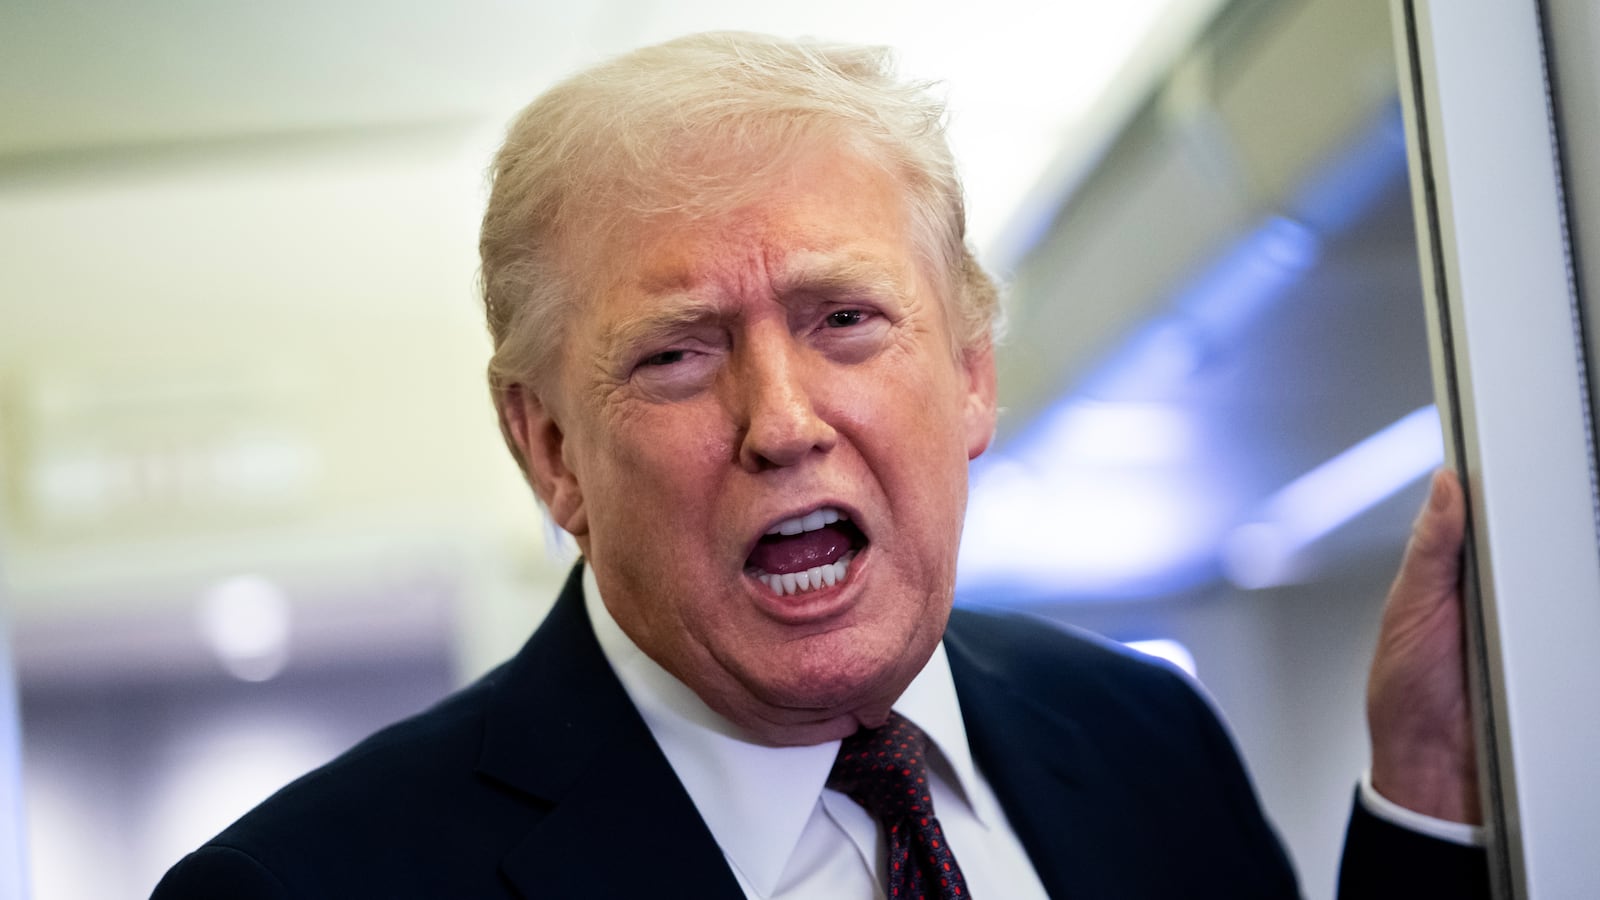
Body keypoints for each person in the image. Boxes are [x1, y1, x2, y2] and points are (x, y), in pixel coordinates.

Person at [153, 32, 1487, 899]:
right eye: (676, 354)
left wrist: (1430, 792)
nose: (781, 421)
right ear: (550, 448)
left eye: (844, 320)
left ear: (969, 371)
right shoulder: (305, 890)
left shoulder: (1142, 740)